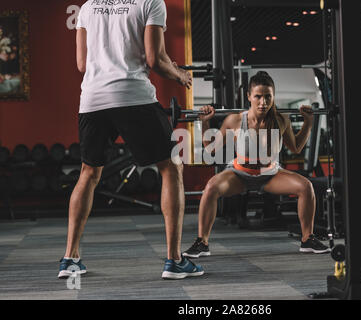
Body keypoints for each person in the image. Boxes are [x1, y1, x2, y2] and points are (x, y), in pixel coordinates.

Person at [59, 0, 204, 280]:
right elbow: (155, 61)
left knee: (88, 174)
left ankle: (70, 259)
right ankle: (174, 261)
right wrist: (180, 74)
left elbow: (81, 64)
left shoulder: (88, 7)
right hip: (132, 95)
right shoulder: (150, 3)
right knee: (171, 167)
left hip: (92, 99)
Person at [183, 71, 330, 258]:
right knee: (211, 187)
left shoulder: (281, 119)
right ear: (249, 97)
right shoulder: (235, 120)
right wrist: (204, 123)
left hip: (270, 175)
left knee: (306, 187)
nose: (263, 102)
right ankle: (202, 242)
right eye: (258, 96)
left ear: (273, 96)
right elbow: (211, 148)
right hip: (239, 175)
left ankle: (307, 239)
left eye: (268, 97)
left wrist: (308, 123)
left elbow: (296, 147)